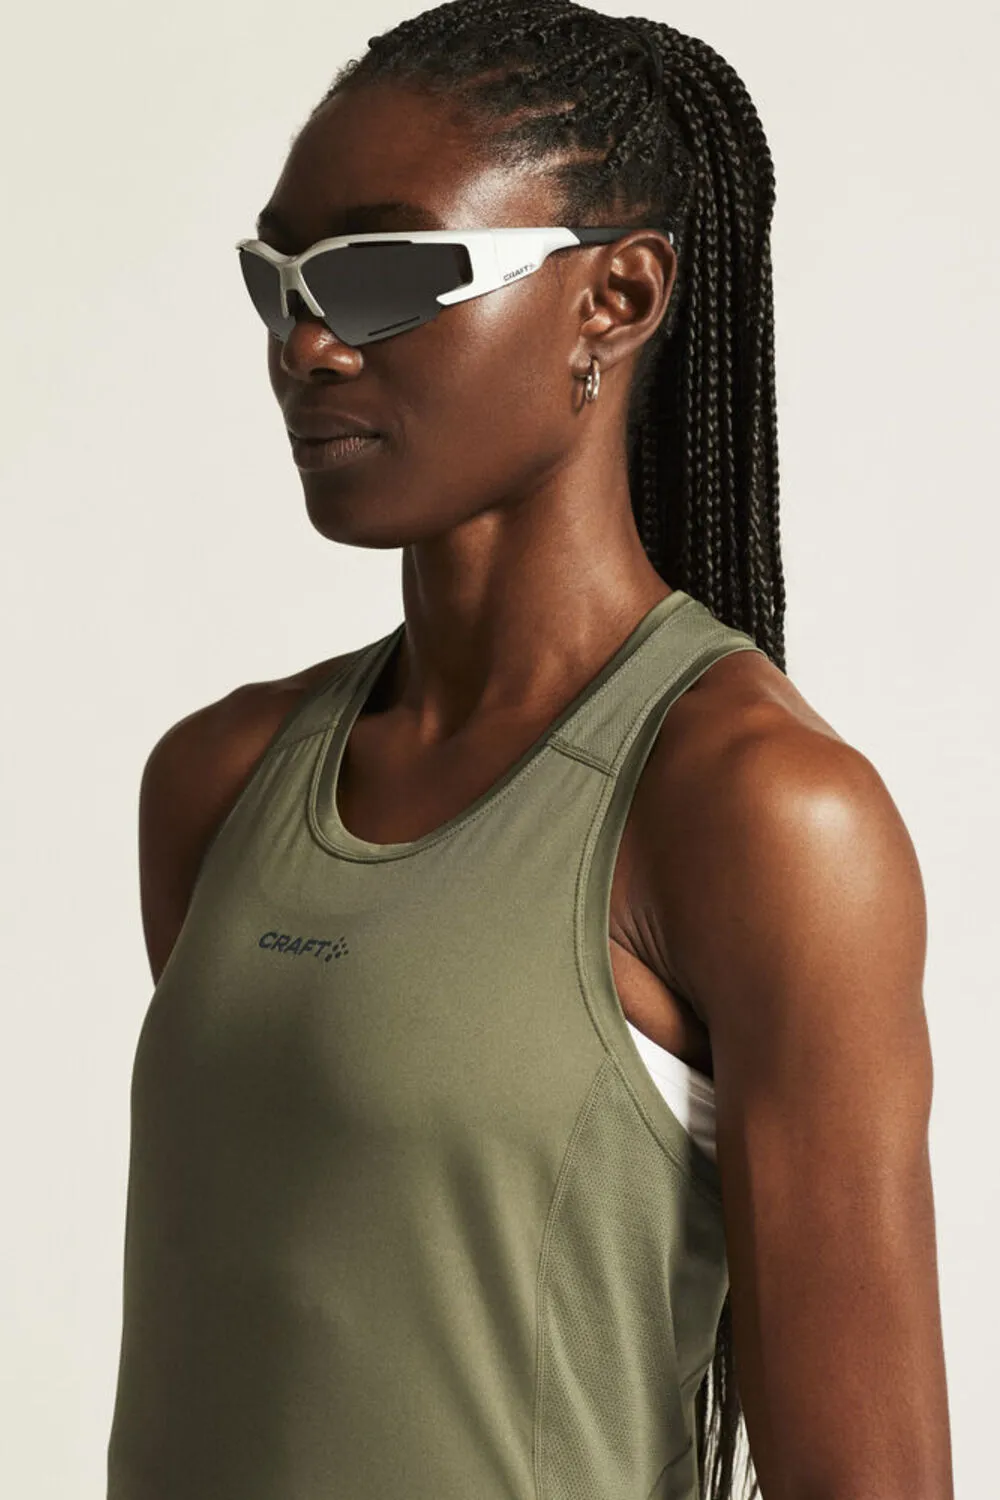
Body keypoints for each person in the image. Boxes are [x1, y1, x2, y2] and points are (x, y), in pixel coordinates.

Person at [106, 4, 954, 1498]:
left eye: (381, 276)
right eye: (277, 279)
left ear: (614, 299)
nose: (306, 344)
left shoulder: (754, 812)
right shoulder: (220, 781)